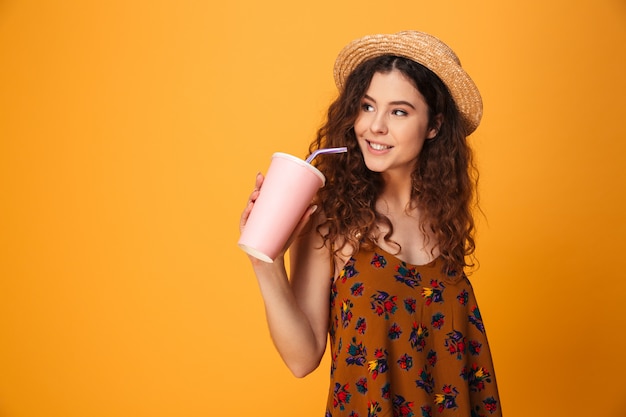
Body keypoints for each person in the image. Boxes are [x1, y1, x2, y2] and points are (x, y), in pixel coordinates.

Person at [240, 30, 502, 417]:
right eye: (366, 106)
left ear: (433, 126)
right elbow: (302, 359)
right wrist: (266, 262)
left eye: (399, 111)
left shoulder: (444, 215)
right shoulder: (330, 215)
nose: (375, 126)